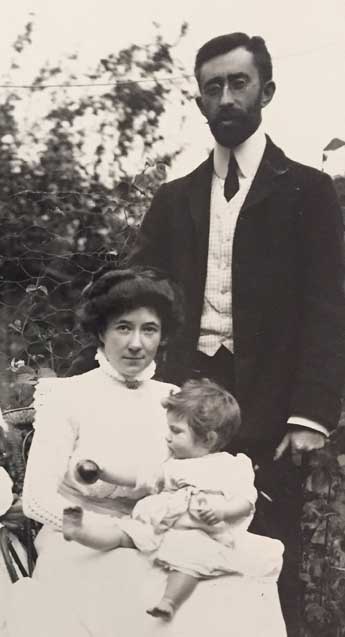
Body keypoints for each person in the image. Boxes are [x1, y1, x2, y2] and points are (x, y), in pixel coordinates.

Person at [129, 33, 345, 636]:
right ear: (200, 101)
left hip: (272, 408)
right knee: (172, 547)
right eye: (213, 87)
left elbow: (329, 308)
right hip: (181, 399)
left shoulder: (308, 191)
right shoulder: (175, 199)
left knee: (268, 556)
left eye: (238, 83)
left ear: (266, 91)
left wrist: (309, 415)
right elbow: (136, 293)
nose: (225, 97)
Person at [4, 266, 287, 637]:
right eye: (123, 327)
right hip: (80, 540)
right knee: (139, 589)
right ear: (101, 332)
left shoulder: (174, 401)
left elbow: (201, 477)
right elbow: (39, 498)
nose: (135, 343)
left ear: (162, 336)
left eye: (148, 329)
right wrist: (112, 532)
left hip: (162, 535)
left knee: (231, 584)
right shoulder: (66, 396)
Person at [63, 378, 284, 620]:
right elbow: (139, 476)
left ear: (208, 439)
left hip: (202, 532)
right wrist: (103, 472)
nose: (167, 437)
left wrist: (222, 511)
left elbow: (245, 501)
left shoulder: (232, 466)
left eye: (176, 431)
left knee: (190, 559)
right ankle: (80, 532)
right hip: (160, 525)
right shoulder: (173, 464)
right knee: (124, 533)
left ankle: (169, 601)